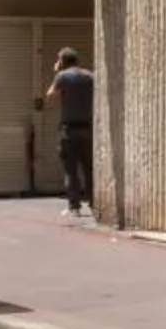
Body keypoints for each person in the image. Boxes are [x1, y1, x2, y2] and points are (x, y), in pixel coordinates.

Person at [39, 48, 96, 219]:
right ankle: (94, 203)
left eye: (58, 60)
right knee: (89, 168)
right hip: (87, 128)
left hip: (69, 130)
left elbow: (49, 96)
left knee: (71, 168)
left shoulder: (62, 76)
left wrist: (58, 72)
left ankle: (74, 207)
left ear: (63, 61)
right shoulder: (90, 76)